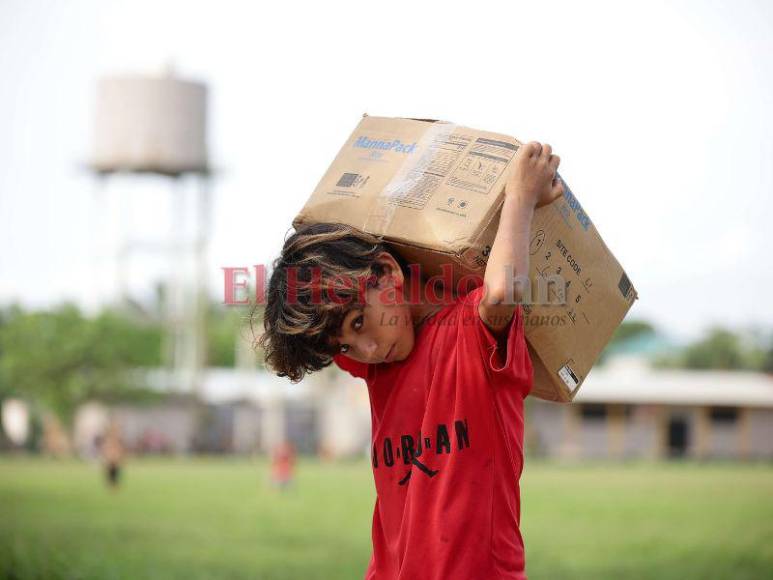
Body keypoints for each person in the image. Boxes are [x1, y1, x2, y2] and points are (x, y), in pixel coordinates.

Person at [260, 142, 562, 579]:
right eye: (345, 345)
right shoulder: (375, 367)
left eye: (361, 322)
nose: (365, 350)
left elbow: (500, 292)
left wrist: (521, 197)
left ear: (388, 272)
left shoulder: (471, 336)